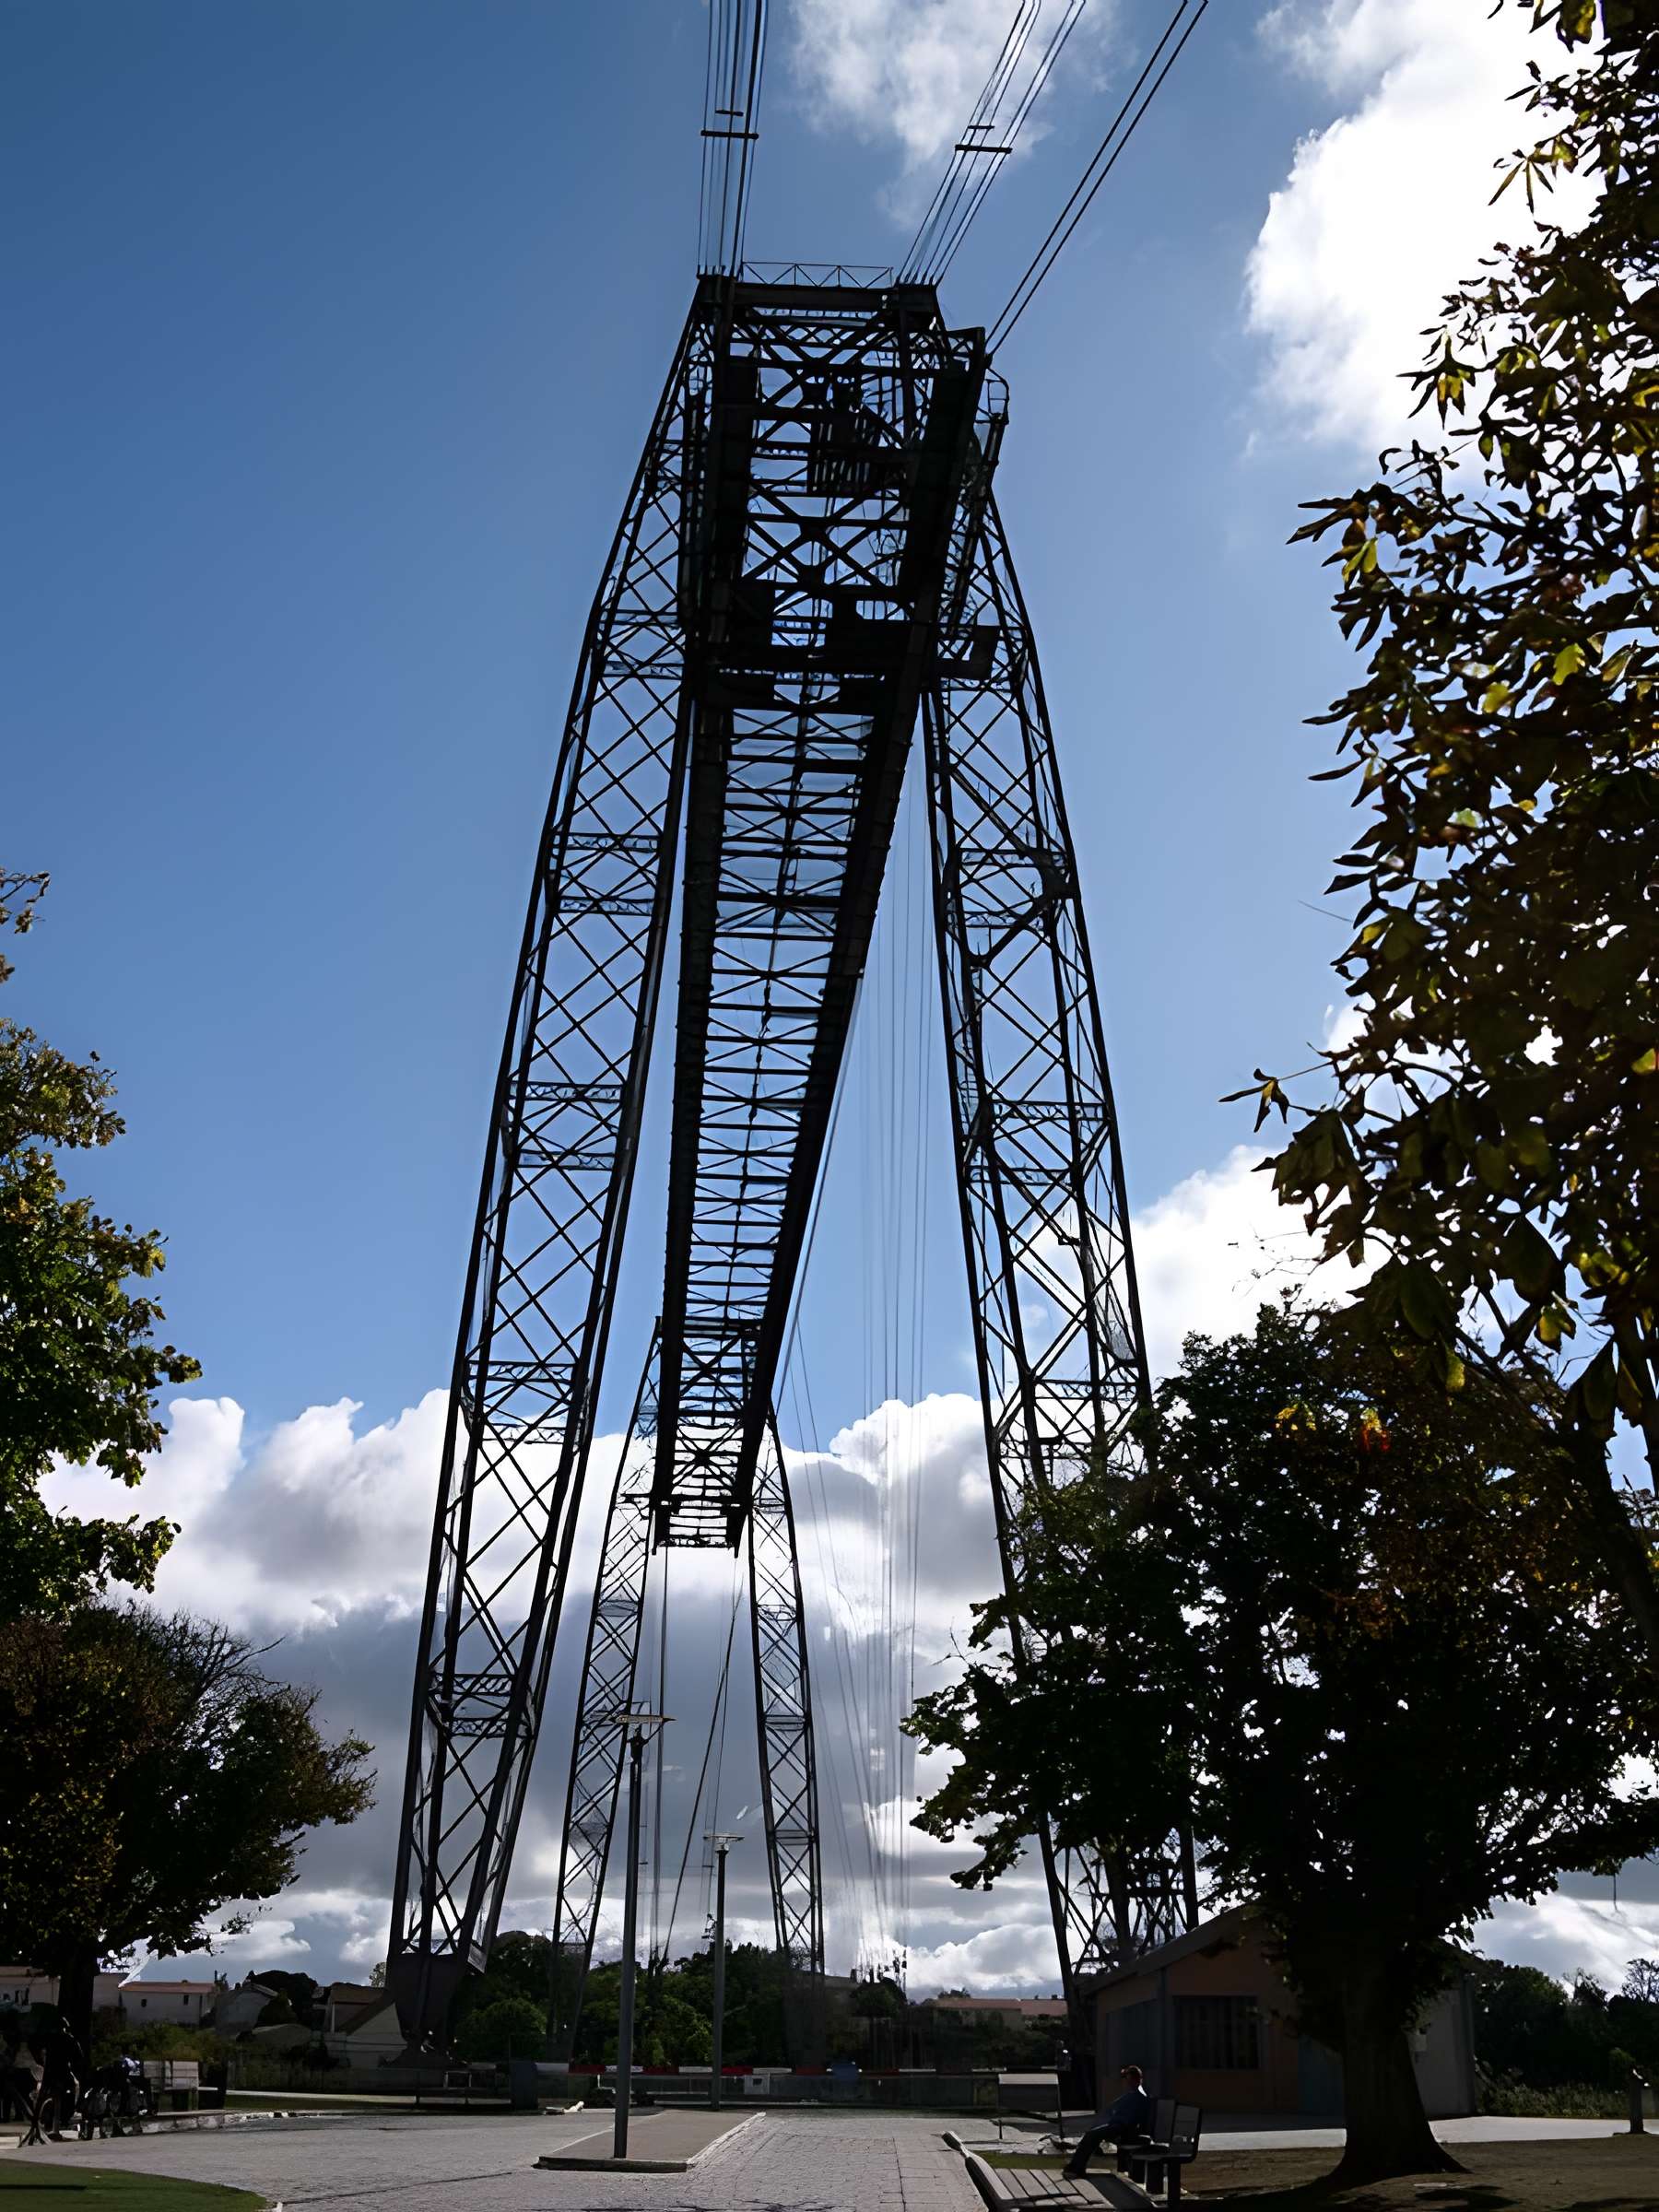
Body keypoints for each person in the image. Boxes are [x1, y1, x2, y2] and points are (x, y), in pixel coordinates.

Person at [1064, 2062, 1153, 2178]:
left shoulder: (1138, 2095)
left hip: (1124, 2130)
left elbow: (1130, 2119)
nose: (1126, 2081)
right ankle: (1076, 2167)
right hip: (1120, 2127)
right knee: (1092, 2134)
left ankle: (1076, 2168)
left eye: (1127, 2078)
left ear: (1134, 2079)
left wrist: (1114, 2122)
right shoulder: (1133, 2094)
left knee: (1092, 2135)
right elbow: (1117, 2109)